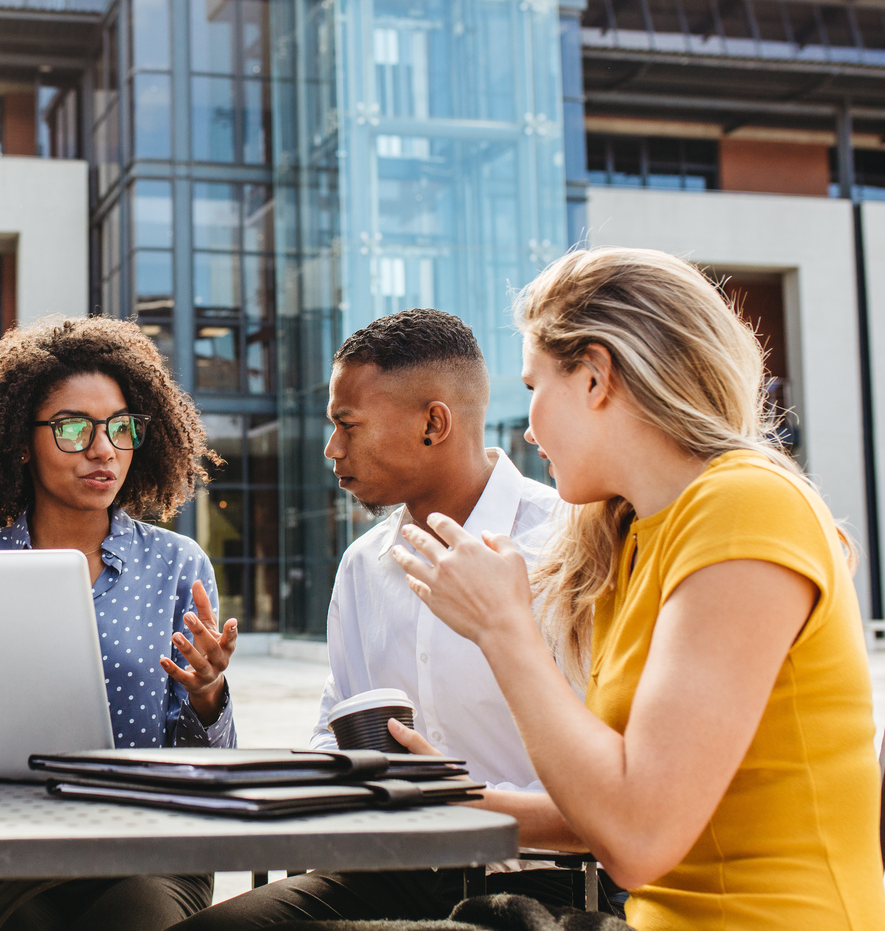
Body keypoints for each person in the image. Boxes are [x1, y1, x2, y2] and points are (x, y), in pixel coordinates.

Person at [392, 247, 885, 929]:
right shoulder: (630, 540)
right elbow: (625, 802)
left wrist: (501, 629)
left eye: (536, 386)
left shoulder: (746, 505)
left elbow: (639, 839)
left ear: (596, 375)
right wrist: (458, 801)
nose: (529, 425)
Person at [167, 309, 617, 931]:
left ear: (434, 423)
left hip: (556, 882)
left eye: (347, 425)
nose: (332, 449)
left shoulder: (574, 545)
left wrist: (467, 808)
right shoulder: (364, 564)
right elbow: (336, 727)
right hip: (389, 871)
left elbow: (623, 782)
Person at [0, 315, 237, 931]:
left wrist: (208, 695)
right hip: (6, 842)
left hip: (150, 842)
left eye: (120, 428)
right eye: (73, 428)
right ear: (21, 441)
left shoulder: (179, 566)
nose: (103, 449)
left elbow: (211, 765)